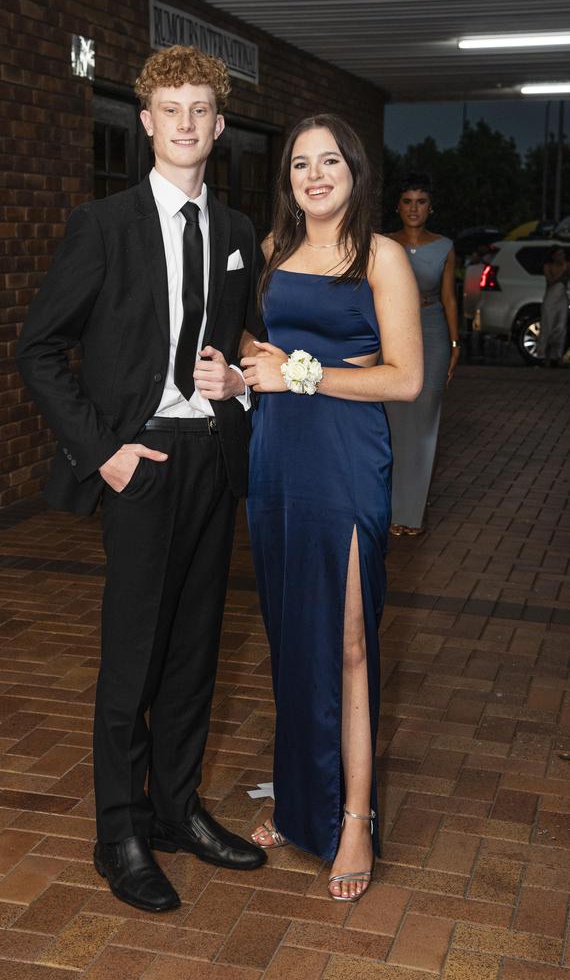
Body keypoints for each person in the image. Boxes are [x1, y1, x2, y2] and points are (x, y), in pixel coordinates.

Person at [16, 44, 266, 915]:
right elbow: (38, 350)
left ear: (220, 125)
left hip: (213, 462)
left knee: (196, 653)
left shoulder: (237, 235)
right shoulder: (105, 225)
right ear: (147, 122)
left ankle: (175, 810)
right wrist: (105, 451)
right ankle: (118, 831)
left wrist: (238, 381)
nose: (187, 124)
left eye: (203, 110)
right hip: (141, 465)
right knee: (134, 660)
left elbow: (247, 346)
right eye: (172, 110)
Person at [241, 115, 422, 902]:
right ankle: (296, 798)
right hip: (277, 453)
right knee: (290, 630)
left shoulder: (380, 256)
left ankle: (352, 817)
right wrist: (254, 365)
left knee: (347, 640)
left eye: (330, 162)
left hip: (347, 456)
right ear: (288, 178)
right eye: (300, 164)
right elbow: (261, 346)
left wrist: (305, 374)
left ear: (355, 172)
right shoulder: (276, 253)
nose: (315, 176)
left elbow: (405, 379)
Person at [384, 174, 459, 537]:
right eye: (408, 201)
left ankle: (410, 514)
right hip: (392, 332)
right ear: (397, 206)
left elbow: (449, 299)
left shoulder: (444, 246)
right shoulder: (382, 244)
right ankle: (392, 507)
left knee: (425, 424)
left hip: (432, 332)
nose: (414, 208)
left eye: (422, 201)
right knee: (395, 424)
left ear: (431, 208)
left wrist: (456, 346)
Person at [538, 246, 568, 367]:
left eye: (563, 254)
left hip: (562, 299)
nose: (562, 257)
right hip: (550, 298)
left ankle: (557, 355)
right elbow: (550, 281)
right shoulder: (548, 266)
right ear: (553, 256)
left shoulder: (567, 265)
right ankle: (542, 354)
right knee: (547, 326)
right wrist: (562, 272)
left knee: (561, 327)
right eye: (559, 254)